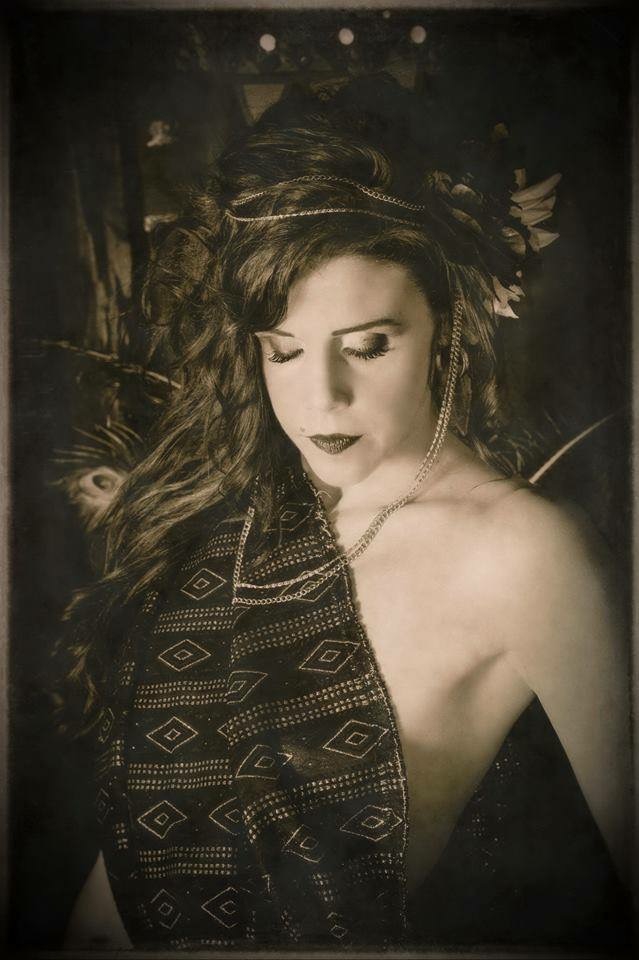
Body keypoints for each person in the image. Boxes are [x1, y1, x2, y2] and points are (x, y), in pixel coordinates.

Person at [61, 76, 631, 951]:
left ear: (444, 327)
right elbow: (130, 870)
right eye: (282, 352)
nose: (320, 397)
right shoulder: (242, 517)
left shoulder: (522, 552)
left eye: (367, 346)